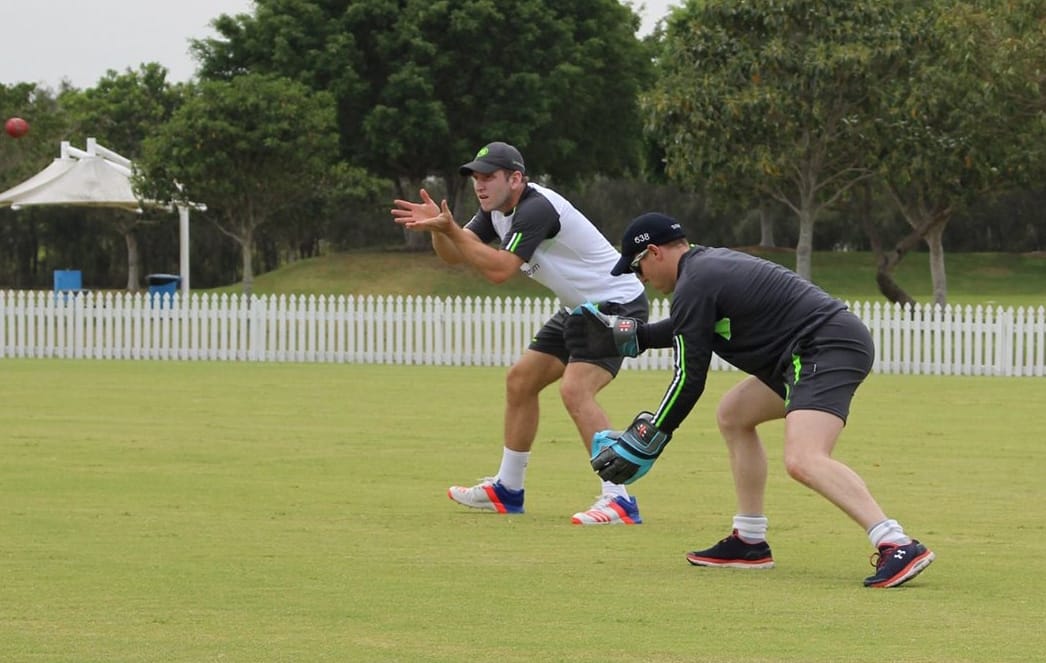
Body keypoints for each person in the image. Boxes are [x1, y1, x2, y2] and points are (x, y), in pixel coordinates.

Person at [565, 211, 935, 587]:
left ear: (655, 252)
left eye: (637, 266)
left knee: (804, 458)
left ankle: (896, 542)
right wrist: (640, 336)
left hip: (823, 346)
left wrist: (653, 435)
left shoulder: (696, 281)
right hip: (811, 349)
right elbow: (691, 325)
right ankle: (749, 540)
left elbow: (689, 378)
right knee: (734, 414)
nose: (640, 278)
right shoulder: (702, 271)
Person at [391, 141, 650, 525]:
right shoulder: (493, 210)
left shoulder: (535, 208)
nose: (480, 185)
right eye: (476, 178)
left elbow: (499, 270)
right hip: (579, 308)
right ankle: (508, 490)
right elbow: (454, 255)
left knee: (576, 390)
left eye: (488, 177)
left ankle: (619, 499)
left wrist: (450, 230)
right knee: (521, 381)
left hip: (617, 305)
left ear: (515, 179)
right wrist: (439, 230)